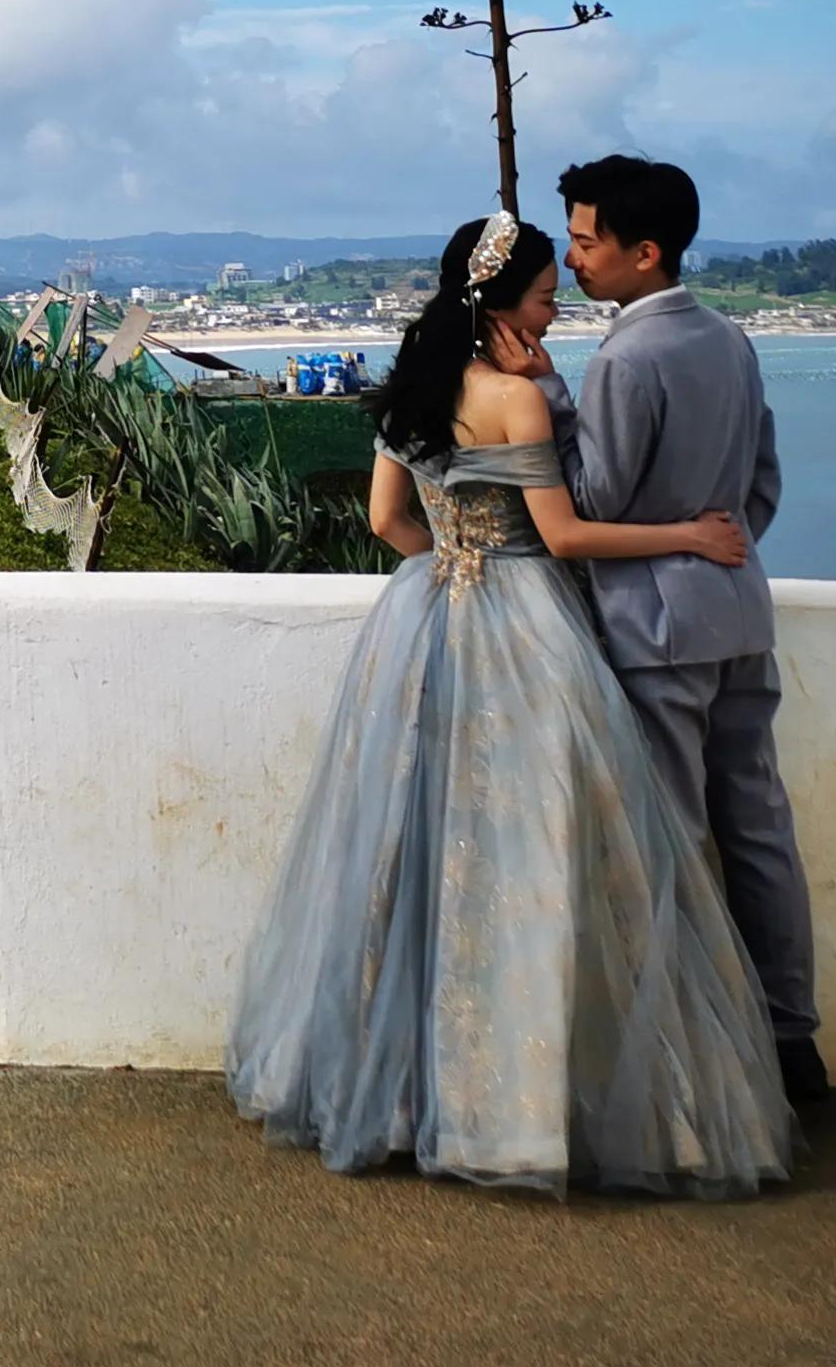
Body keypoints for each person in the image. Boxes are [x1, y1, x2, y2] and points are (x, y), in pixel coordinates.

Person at [226, 212, 793, 1197]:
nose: (555, 308)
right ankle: (522, 1106)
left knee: (410, 855)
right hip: (529, 628)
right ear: (503, 304)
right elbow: (567, 538)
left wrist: (452, 568)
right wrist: (690, 540)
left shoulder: (410, 393)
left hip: (422, 620)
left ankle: (400, 1098)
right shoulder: (517, 401)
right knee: (541, 855)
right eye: (543, 297)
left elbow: (385, 521)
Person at [514, 154, 825, 1109]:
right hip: (736, 612)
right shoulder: (730, 339)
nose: (570, 263)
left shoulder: (625, 357)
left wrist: (551, 396)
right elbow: (761, 485)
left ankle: (706, 1055)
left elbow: (596, 496)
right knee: (761, 828)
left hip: (654, 627)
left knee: (678, 837)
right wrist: (714, 559)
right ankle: (791, 1040)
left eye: (583, 241)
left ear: (644, 254)